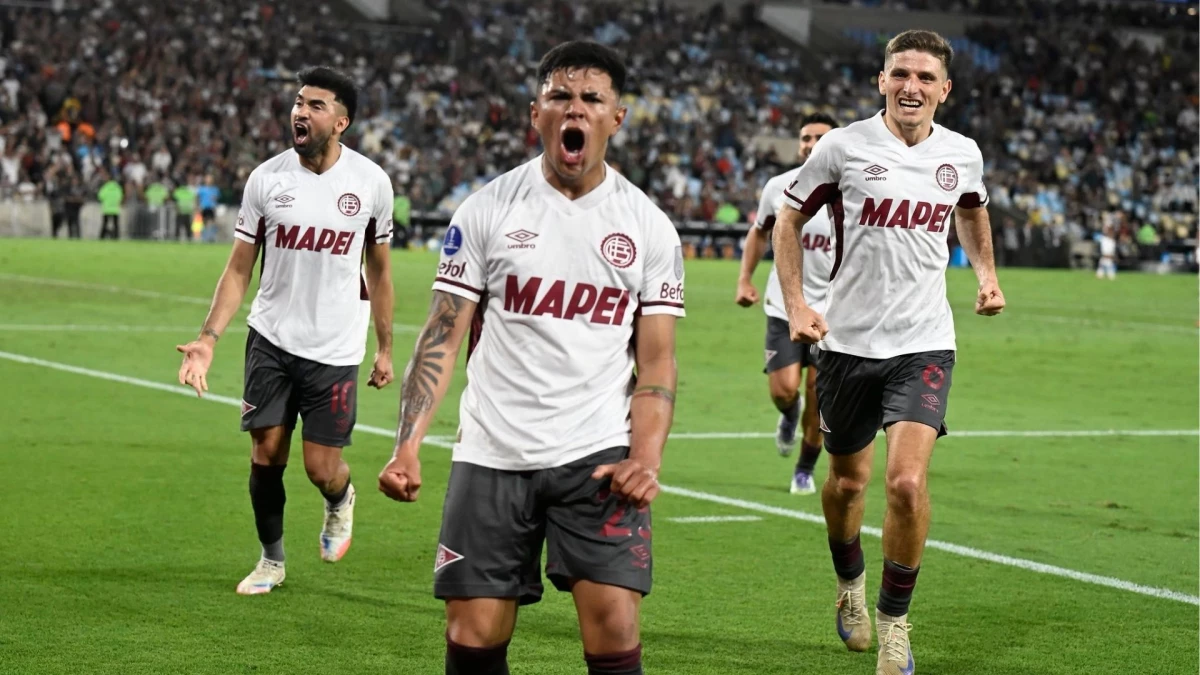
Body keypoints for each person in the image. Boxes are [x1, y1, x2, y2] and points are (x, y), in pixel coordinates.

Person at [378, 41, 684, 675]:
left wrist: (645, 458)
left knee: (614, 624)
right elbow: (441, 332)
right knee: (473, 634)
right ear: (536, 113)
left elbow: (656, 363)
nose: (575, 108)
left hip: (596, 454)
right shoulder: (487, 209)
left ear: (616, 117)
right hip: (494, 450)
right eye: (560, 97)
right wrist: (407, 444)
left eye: (591, 98)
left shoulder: (649, 227)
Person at [772, 30, 1006, 675]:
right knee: (847, 484)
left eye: (926, 78)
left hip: (925, 341)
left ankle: (895, 624)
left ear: (945, 90)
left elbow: (973, 209)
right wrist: (796, 302)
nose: (912, 87)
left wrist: (985, 274)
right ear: (881, 80)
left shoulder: (962, 154)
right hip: (847, 344)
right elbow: (788, 220)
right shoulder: (844, 147)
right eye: (901, 73)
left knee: (905, 483)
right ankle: (848, 583)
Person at [175, 65, 396, 595]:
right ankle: (271, 560)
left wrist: (385, 348)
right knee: (266, 452)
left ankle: (340, 498)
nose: (300, 111)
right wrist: (208, 339)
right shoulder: (267, 179)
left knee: (322, 468)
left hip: (336, 346)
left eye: (316, 105)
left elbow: (380, 271)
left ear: (341, 121)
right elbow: (237, 268)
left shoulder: (370, 184)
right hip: (271, 339)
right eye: (299, 102)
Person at [736, 112, 839, 495]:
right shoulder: (779, 187)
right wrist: (744, 279)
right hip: (783, 305)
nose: (811, 145)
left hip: (831, 312)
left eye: (820, 138)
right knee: (784, 390)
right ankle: (787, 414)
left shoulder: (853, 190)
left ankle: (804, 470)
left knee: (817, 394)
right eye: (806, 138)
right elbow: (759, 233)